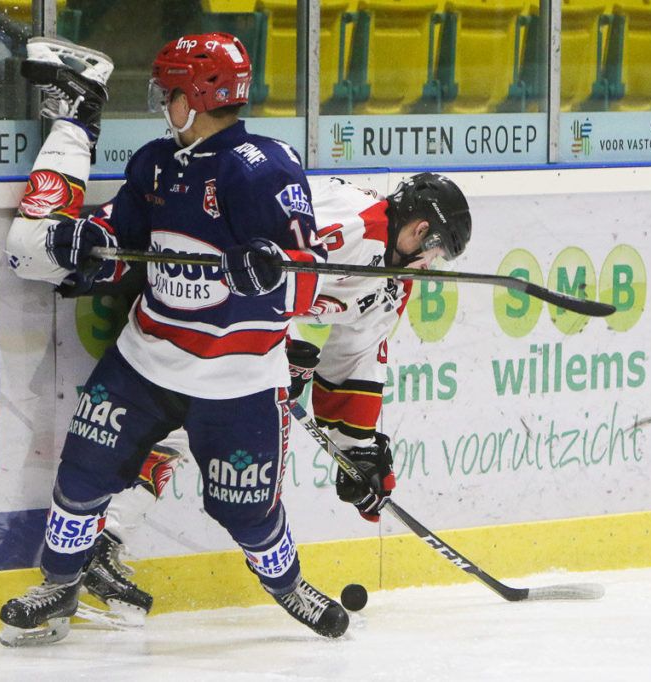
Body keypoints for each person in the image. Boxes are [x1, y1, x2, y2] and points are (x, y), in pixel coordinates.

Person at [1, 32, 345, 646]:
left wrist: (270, 269)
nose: (163, 101)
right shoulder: (158, 160)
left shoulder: (264, 170)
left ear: (199, 95)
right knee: (82, 475)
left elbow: (302, 282)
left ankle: (287, 584)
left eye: (171, 91)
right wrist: (87, 244)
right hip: (145, 360)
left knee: (246, 512)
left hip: (236, 380)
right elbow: (125, 239)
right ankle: (58, 586)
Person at [78, 172, 474, 621]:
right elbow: (247, 257)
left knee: (193, 435)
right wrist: (282, 345)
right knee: (192, 420)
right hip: (194, 294)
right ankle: (94, 538)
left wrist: (358, 451)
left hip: (239, 340)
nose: (431, 263)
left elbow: (355, 360)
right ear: (420, 231)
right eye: (436, 252)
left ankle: (100, 538)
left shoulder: (392, 280)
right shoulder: (347, 223)